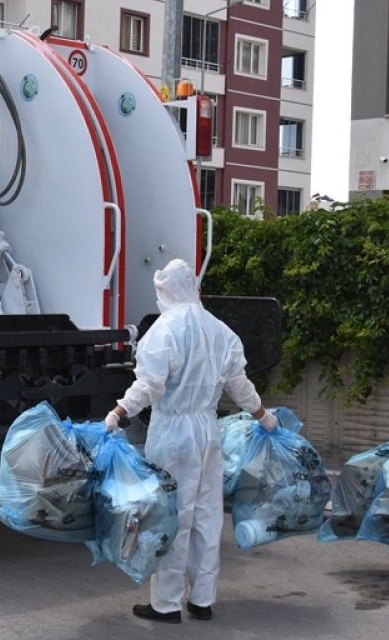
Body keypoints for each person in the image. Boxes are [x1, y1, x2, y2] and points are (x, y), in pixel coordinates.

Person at [104, 259, 276, 624]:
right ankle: (202, 599)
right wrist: (263, 415)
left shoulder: (164, 331)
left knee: (172, 516)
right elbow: (239, 384)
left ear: (166, 291)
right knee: (207, 516)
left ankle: (166, 604)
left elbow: (148, 386)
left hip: (173, 433)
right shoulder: (220, 330)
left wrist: (119, 411)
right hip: (207, 431)